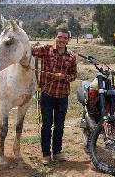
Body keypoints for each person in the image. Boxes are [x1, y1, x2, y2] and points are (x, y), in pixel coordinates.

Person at [32, 28, 78, 165]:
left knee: (59, 125)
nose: (62, 40)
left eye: (64, 38)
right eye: (59, 37)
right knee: (47, 125)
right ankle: (46, 154)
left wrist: (64, 77)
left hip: (62, 95)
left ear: (68, 40)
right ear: (55, 37)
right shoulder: (46, 50)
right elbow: (31, 51)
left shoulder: (71, 56)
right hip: (47, 94)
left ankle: (57, 152)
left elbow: (74, 75)